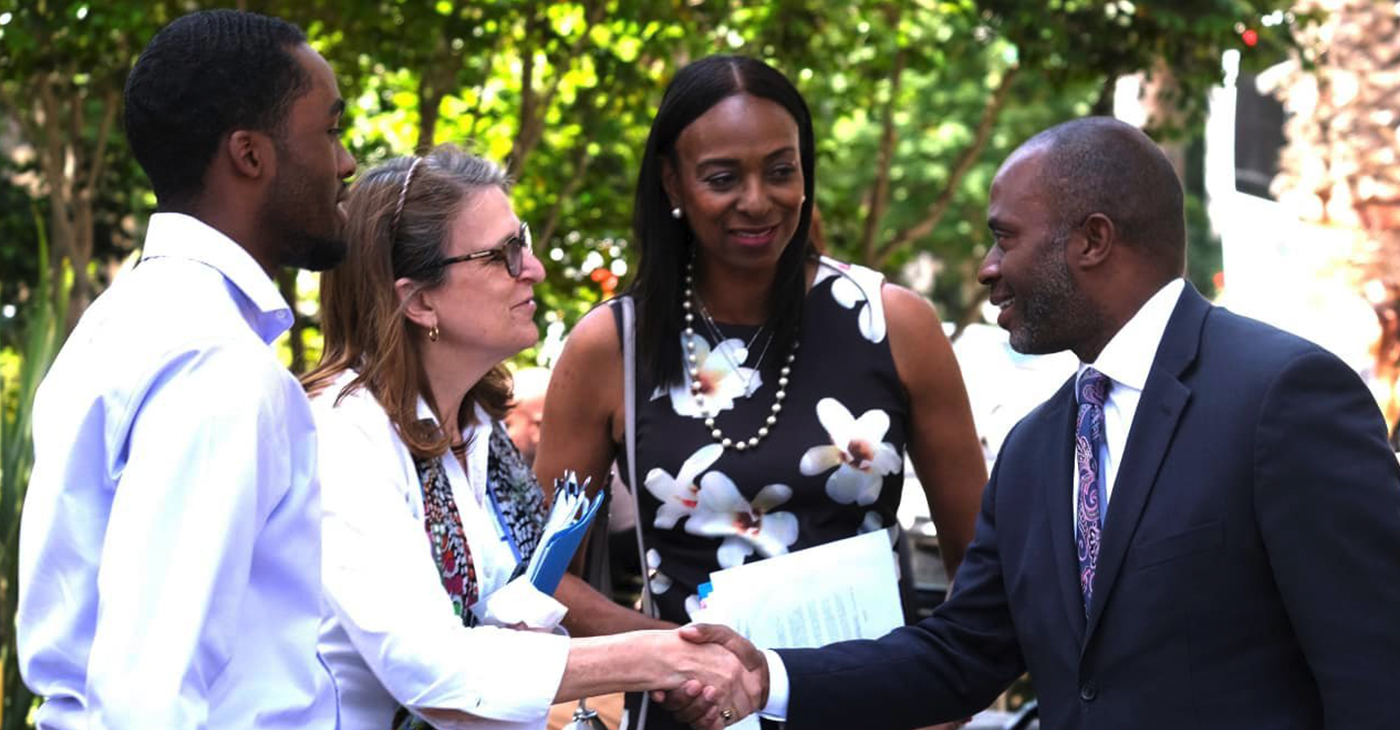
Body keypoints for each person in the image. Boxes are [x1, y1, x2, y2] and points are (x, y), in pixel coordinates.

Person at [693, 116, 1400, 730]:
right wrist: (769, 679)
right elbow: (962, 653)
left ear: (1092, 240)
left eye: (1005, 238)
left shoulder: (1282, 396)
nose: (987, 268)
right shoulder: (1035, 450)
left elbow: (1376, 667)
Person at [533, 54, 987, 729]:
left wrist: (939, 706)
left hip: (873, 709)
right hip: (686, 713)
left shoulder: (896, 324)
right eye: (722, 178)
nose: (757, 200)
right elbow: (543, 575)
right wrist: (676, 658)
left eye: (781, 170)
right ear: (672, 183)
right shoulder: (611, 345)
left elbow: (983, 565)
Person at [301, 145, 764, 730]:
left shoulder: (475, 432)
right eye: (503, 255)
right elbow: (429, 670)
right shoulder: (344, 433)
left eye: (521, 241)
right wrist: (660, 658)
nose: (534, 268)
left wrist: (683, 648)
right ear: (418, 301)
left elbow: (515, 607)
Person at [15, 10, 354, 729]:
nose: (346, 161)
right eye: (329, 130)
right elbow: (151, 699)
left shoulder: (125, 320)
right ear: (250, 154)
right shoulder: (215, 362)